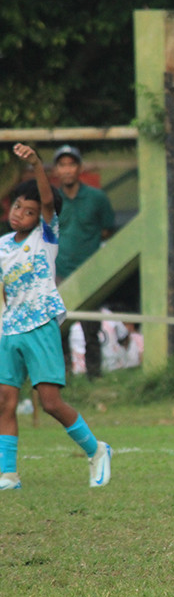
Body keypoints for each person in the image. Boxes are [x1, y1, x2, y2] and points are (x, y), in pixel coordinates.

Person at [0, 144, 112, 491]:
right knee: (5, 400)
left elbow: (48, 201)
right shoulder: (3, 244)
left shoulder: (45, 238)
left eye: (29, 211)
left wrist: (36, 163)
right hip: (9, 330)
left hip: (40, 326)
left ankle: (97, 451)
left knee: (50, 402)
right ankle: (7, 474)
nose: (21, 213)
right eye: (18, 206)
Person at [52, 145, 115, 379]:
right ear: (57, 170)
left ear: (80, 168)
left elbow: (108, 229)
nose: (67, 169)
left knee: (91, 329)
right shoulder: (51, 200)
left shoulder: (97, 198)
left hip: (90, 270)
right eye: (62, 165)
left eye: (71, 164)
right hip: (59, 272)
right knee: (59, 330)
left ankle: (94, 378)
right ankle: (64, 379)